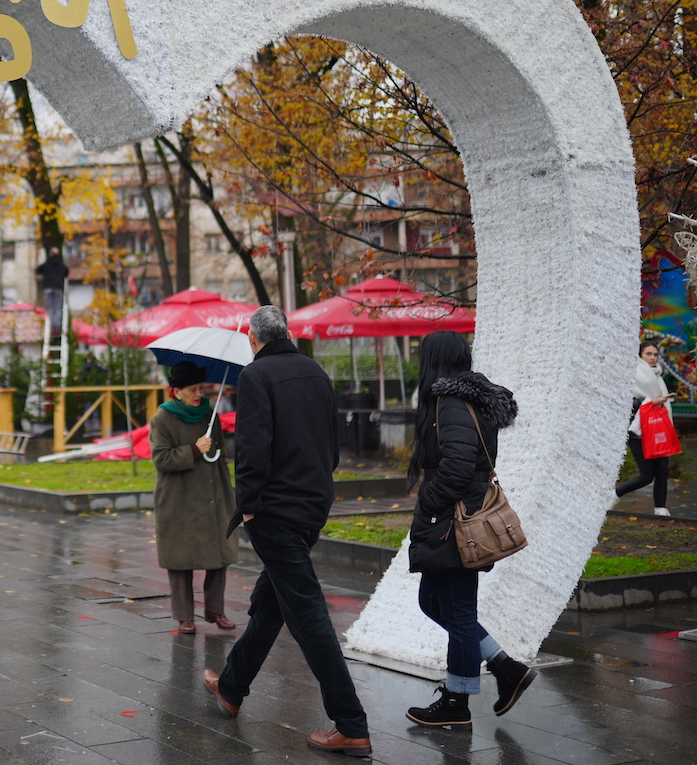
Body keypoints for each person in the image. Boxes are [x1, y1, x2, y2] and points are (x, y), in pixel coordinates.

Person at [203, 305, 371, 757]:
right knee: (274, 600)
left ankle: (351, 723)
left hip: (275, 509)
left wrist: (250, 505)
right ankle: (232, 685)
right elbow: (332, 444)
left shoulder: (255, 377)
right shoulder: (315, 372)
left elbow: (253, 447)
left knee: (307, 614)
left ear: (254, 340)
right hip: (312, 504)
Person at [403, 330, 536, 729]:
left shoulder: (452, 403)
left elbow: (459, 468)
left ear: (435, 360)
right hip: (452, 519)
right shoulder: (461, 399)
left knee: (458, 613)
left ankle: (457, 701)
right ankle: (505, 667)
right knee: (435, 602)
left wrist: (428, 503)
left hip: (454, 523)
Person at [150, 360, 238, 634]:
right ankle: (184, 616)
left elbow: (221, 457)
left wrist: (228, 492)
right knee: (180, 559)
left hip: (212, 494)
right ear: (175, 391)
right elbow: (162, 459)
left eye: (201, 388)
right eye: (191, 389)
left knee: (218, 555)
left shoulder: (208, 415)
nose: (198, 394)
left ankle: (215, 610)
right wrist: (195, 449)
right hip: (178, 498)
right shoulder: (162, 419)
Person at [615, 341, 674, 517]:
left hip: (660, 429)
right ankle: (614, 495)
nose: (653, 358)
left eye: (655, 354)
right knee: (647, 475)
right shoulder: (632, 376)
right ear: (640, 356)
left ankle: (661, 508)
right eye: (648, 354)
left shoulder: (658, 377)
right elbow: (627, 404)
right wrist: (650, 403)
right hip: (639, 432)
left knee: (663, 471)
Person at [36, 248, 69, 335]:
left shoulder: (47, 264)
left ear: (50, 254)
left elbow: (38, 270)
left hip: (48, 288)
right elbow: (66, 272)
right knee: (58, 308)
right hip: (58, 288)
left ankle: (51, 325)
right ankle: (56, 326)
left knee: (50, 307)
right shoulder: (61, 265)